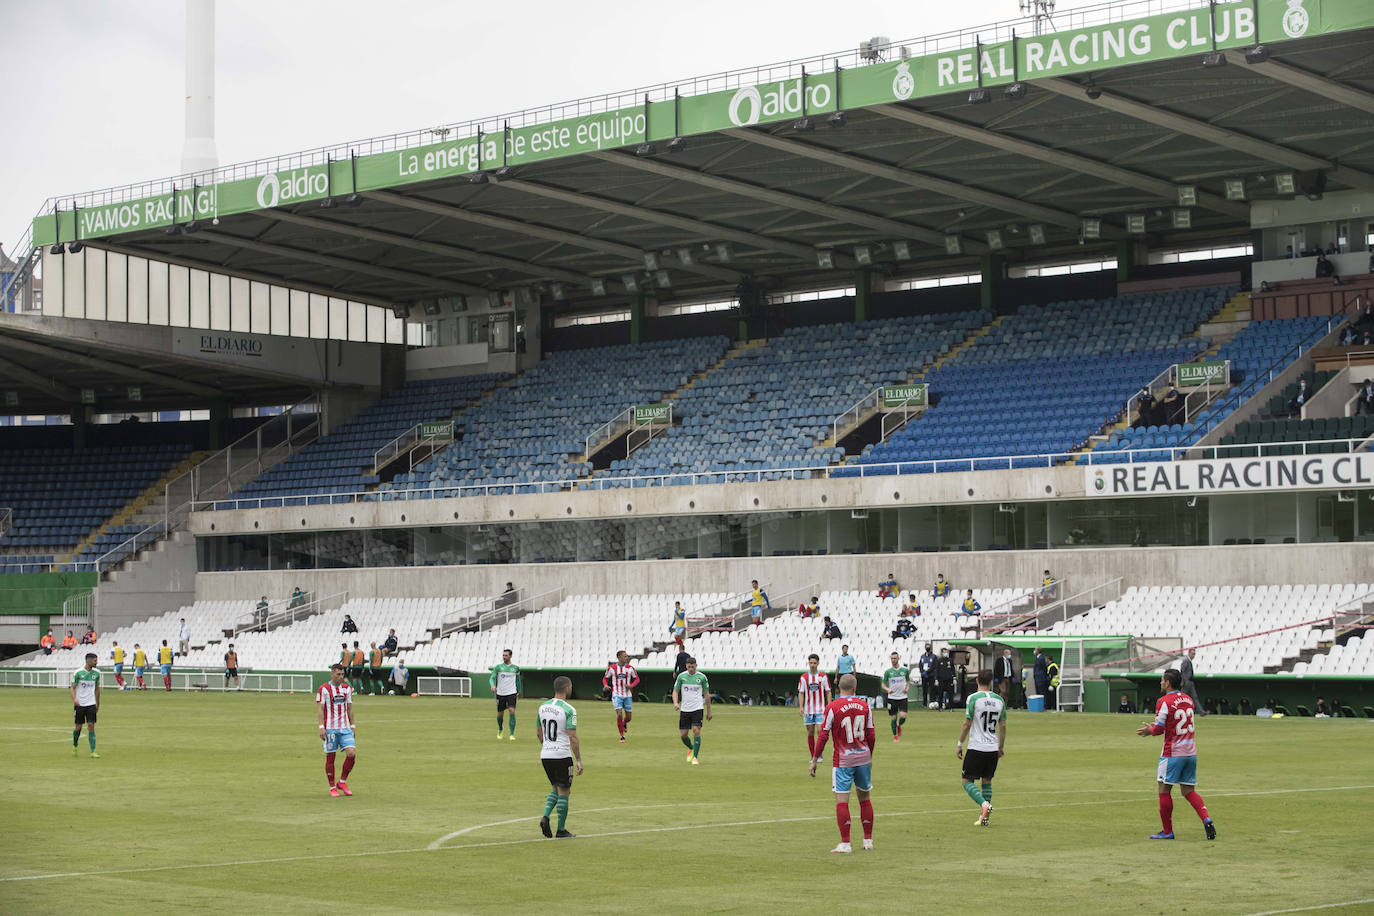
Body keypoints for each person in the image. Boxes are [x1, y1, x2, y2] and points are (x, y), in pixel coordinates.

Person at [1137, 668, 1215, 841]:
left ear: (1168, 683)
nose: (1160, 682)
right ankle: (1206, 818)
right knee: (1188, 791)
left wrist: (1150, 730)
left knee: (1163, 789)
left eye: (1162, 680)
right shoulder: (1188, 699)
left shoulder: (1163, 701)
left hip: (1173, 753)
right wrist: (1158, 726)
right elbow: (1174, 722)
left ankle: (1167, 831)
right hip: (1191, 752)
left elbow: (1158, 730)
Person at [809, 673, 876, 853]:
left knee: (842, 801)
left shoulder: (833, 707)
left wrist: (815, 759)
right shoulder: (865, 706)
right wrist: (869, 756)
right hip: (863, 758)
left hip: (843, 760)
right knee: (865, 799)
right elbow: (871, 735)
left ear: (839, 688)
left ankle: (845, 843)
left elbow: (823, 735)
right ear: (855, 688)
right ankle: (868, 840)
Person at [956, 669, 1006, 827]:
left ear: (977, 680)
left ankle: (984, 805)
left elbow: (967, 722)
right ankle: (984, 818)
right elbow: (1003, 725)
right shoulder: (1000, 700)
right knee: (987, 781)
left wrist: (959, 743)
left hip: (976, 747)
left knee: (966, 781)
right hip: (992, 748)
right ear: (991, 682)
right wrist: (1000, 747)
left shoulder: (973, 698)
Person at [538, 675, 582, 839]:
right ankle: (561, 830)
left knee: (555, 787)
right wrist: (578, 759)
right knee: (565, 791)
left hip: (546, 754)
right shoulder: (569, 709)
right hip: (562, 754)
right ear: (567, 688)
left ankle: (545, 816)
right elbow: (572, 737)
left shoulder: (542, 707)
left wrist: (547, 746)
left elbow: (538, 732)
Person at [317, 663, 358, 797]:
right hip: (330, 730)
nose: (341, 677)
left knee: (351, 753)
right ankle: (332, 787)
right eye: (338, 674)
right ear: (332, 673)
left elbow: (350, 708)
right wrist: (321, 727)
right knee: (331, 758)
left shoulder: (347, 689)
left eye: (342, 674)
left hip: (345, 728)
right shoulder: (323, 689)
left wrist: (352, 726)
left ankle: (342, 781)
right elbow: (321, 709)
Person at [672, 656, 711, 765]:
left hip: (698, 708)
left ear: (696, 666)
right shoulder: (681, 677)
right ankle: (692, 748)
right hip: (685, 709)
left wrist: (709, 711)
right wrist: (675, 703)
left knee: (696, 730)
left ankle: (695, 758)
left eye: (692, 667)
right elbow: (675, 691)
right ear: (686, 666)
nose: (691, 669)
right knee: (683, 735)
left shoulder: (702, 677)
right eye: (689, 667)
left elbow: (706, 694)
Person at [798, 653, 832, 765]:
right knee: (810, 732)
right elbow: (801, 693)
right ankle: (813, 756)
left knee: (820, 731)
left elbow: (828, 691)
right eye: (811, 663)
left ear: (818, 663)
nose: (812, 665)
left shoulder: (823, 676)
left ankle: (819, 754)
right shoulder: (804, 677)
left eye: (814, 663)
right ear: (809, 663)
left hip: (820, 709)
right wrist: (801, 707)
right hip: (808, 710)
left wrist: (829, 704)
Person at [603, 650, 640, 743]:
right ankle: (622, 736)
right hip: (616, 694)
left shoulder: (630, 668)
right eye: (624, 656)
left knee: (629, 718)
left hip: (627, 695)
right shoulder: (612, 668)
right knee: (619, 714)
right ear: (619, 657)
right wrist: (605, 685)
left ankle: (624, 723)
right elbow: (605, 678)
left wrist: (631, 685)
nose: (626, 658)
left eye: (627, 656)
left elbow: (637, 679)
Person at [71, 652, 101, 759]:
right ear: (88, 660)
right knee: (78, 727)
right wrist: (75, 699)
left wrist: (98, 703)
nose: (96, 662)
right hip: (80, 704)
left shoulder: (96, 673)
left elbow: (97, 689)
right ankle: (75, 745)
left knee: (91, 726)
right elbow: (72, 687)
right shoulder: (78, 673)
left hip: (91, 704)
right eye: (95, 660)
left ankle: (92, 751)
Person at [490, 648, 522, 740]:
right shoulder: (498, 667)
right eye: (503, 655)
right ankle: (500, 729)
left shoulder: (515, 668)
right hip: (500, 693)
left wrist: (519, 691)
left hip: (512, 693)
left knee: (512, 710)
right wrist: (492, 685)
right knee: (500, 714)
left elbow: (518, 680)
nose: (504, 657)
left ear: (510, 656)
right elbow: (492, 678)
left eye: (506, 655)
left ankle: (512, 734)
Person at [881, 651, 910, 742]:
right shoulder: (888, 672)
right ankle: (895, 736)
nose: (893, 660)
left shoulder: (904, 670)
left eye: (895, 658)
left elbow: (908, 681)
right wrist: (888, 689)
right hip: (892, 698)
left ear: (898, 659)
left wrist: (907, 688)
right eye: (892, 658)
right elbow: (883, 684)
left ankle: (898, 725)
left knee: (903, 716)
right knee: (893, 717)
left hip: (902, 697)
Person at [1179, 648, 1203, 714]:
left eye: (1194, 654)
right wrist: (1185, 681)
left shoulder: (1188, 661)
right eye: (1192, 654)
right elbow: (1182, 671)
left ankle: (1201, 711)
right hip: (1187, 682)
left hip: (1190, 682)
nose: (1193, 655)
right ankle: (1178, 709)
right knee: (1182, 697)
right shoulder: (1186, 661)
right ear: (1189, 653)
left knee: (1193, 697)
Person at [917, 643, 937, 707]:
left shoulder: (934, 656)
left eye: (928, 647)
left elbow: (934, 666)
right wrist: (922, 672)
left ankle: (932, 703)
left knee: (932, 690)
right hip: (924, 676)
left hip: (931, 675)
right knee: (924, 690)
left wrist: (927, 672)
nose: (927, 648)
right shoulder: (922, 656)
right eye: (926, 647)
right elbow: (920, 665)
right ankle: (924, 704)